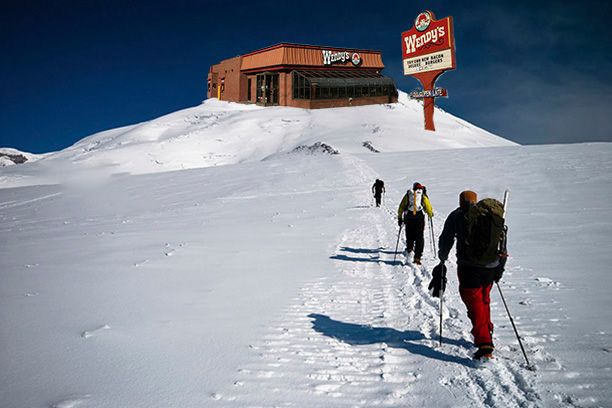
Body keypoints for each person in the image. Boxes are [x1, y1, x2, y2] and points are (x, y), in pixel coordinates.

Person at [436, 190, 507, 360]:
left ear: (460, 201)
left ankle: (484, 345)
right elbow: (502, 244)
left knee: (473, 301)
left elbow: (446, 238)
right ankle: (486, 330)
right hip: (491, 266)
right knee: (484, 299)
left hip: (469, 267)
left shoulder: (457, 215)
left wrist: (443, 257)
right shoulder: (491, 217)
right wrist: (500, 269)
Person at [397, 182, 433, 265]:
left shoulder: (408, 194)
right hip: (419, 217)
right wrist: (430, 214)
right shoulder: (422, 195)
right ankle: (417, 257)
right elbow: (427, 206)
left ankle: (409, 249)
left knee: (409, 233)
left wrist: (400, 217)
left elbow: (401, 206)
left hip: (409, 216)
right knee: (419, 236)